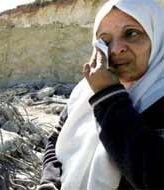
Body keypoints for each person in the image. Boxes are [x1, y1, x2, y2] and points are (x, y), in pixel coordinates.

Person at [37, 0, 164, 189]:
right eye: (105, 40)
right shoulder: (84, 92)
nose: (115, 49)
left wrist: (107, 96)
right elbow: (55, 142)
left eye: (131, 33)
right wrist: (49, 182)